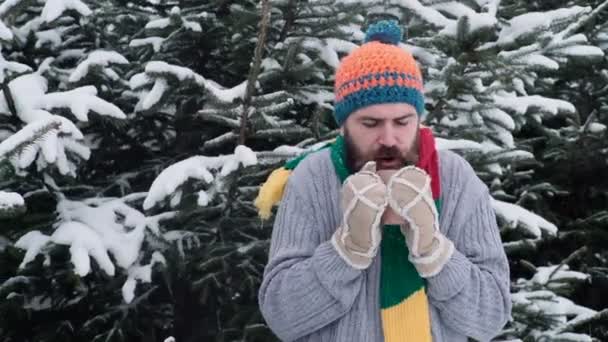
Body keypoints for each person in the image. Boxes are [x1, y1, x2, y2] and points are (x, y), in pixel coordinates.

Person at [255, 20, 511, 342]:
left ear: (418, 119)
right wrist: (347, 250)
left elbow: (491, 317)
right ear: (344, 125)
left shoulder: (456, 179)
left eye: (402, 122)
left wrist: (434, 251)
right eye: (371, 123)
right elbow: (282, 316)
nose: (389, 139)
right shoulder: (314, 179)